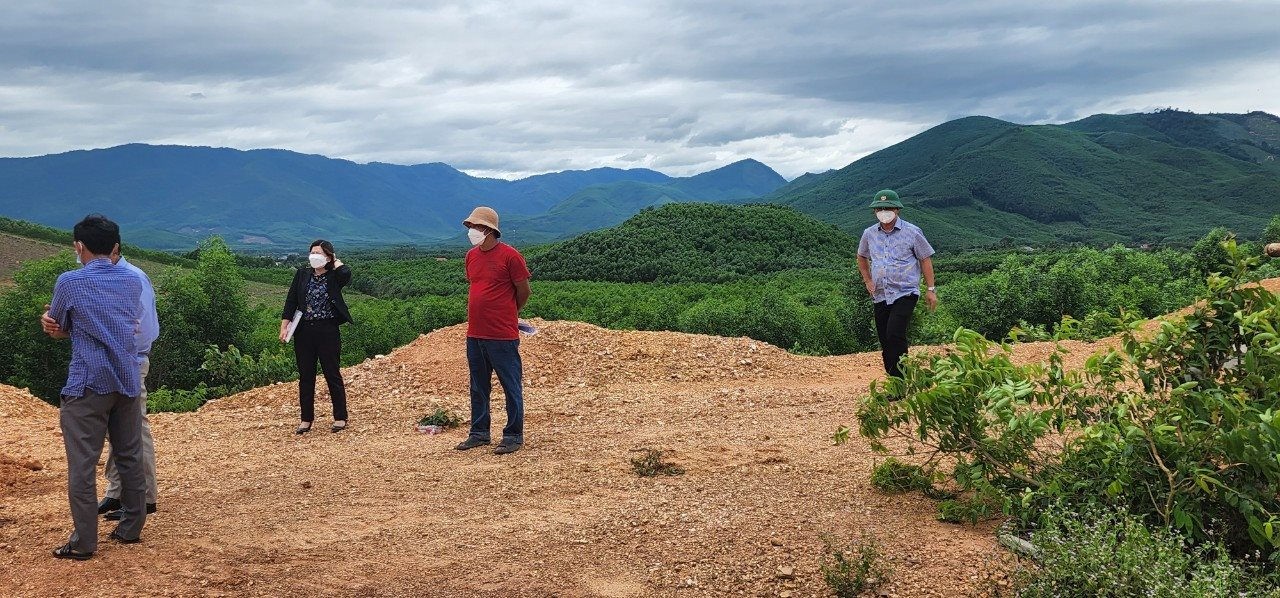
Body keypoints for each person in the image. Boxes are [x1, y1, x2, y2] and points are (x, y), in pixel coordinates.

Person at [42, 214, 147, 559]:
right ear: (115, 247)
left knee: (82, 466)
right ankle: (131, 528)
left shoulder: (69, 282)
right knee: (129, 455)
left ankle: (84, 543)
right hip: (127, 379)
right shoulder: (132, 280)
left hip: (88, 381)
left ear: (79, 246)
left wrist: (52, 325)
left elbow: (59, 325)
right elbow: (118, 323)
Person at [455, 206, 531, 455]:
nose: (471, 231)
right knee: (478, 386)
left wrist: (509, 312)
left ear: (488, 230)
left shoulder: (511, 256)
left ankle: (513, 435)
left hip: (502, 334)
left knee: (510, 385)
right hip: (475, 333)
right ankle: (479, 433)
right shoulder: (471, 256)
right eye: (470, 226)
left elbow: (524, 290)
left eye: (475, 226)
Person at [857, 189, 938, 381]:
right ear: (874, 211)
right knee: (885, 339)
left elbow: (925, 259)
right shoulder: (869, 233)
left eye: (888, 207)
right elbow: (861, 256)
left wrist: (931, 289)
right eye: (880, 208)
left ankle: (901, 382)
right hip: (880, 294)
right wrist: (868, 280)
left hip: (905, 292)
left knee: (895, 333)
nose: (883, 212)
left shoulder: (912, 232)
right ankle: (893, 382)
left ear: (897, 209)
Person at [280, 240, 352, 434]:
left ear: (328, 256)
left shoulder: (334, 276)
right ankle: (306, 419)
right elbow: (291, 301)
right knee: (306, 376)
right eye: (312, 252)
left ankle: (340, 417)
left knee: (332, 373)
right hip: (304, 331)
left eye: (319, 253)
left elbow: (346, 273)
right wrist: (284, 326)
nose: (314, 256)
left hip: (327, 330)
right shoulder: (302, 275)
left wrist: (335, 260)